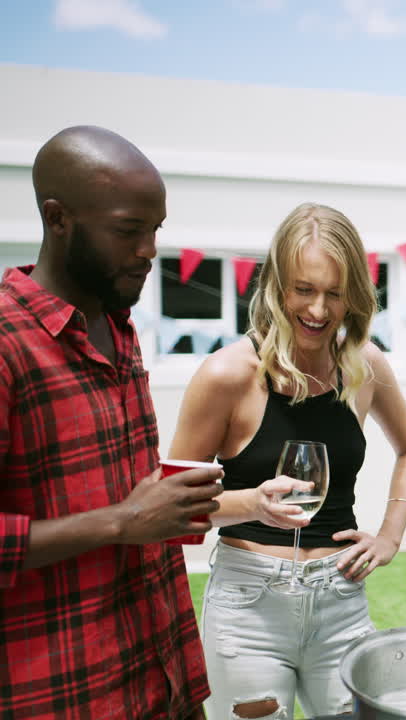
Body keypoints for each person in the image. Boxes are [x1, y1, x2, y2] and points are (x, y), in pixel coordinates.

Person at [0, 126, 223, 719]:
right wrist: (123, 520)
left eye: (155, 230)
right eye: (129, 230)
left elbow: (147, 534)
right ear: (58, 219)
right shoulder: (6, 344)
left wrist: (189, 696)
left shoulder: (118, 327)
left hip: (160, 682)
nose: (149, 250)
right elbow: (130, 521)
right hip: (61, 695)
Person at [167, 203, 406, 719]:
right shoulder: (226, 375)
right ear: (276, 283)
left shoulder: (365, 366)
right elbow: (171, 505)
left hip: (342, 600)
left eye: (335, 293)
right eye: (304, 289)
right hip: (247, 611)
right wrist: (250, 503)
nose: (320, 311)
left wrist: (390, 535)